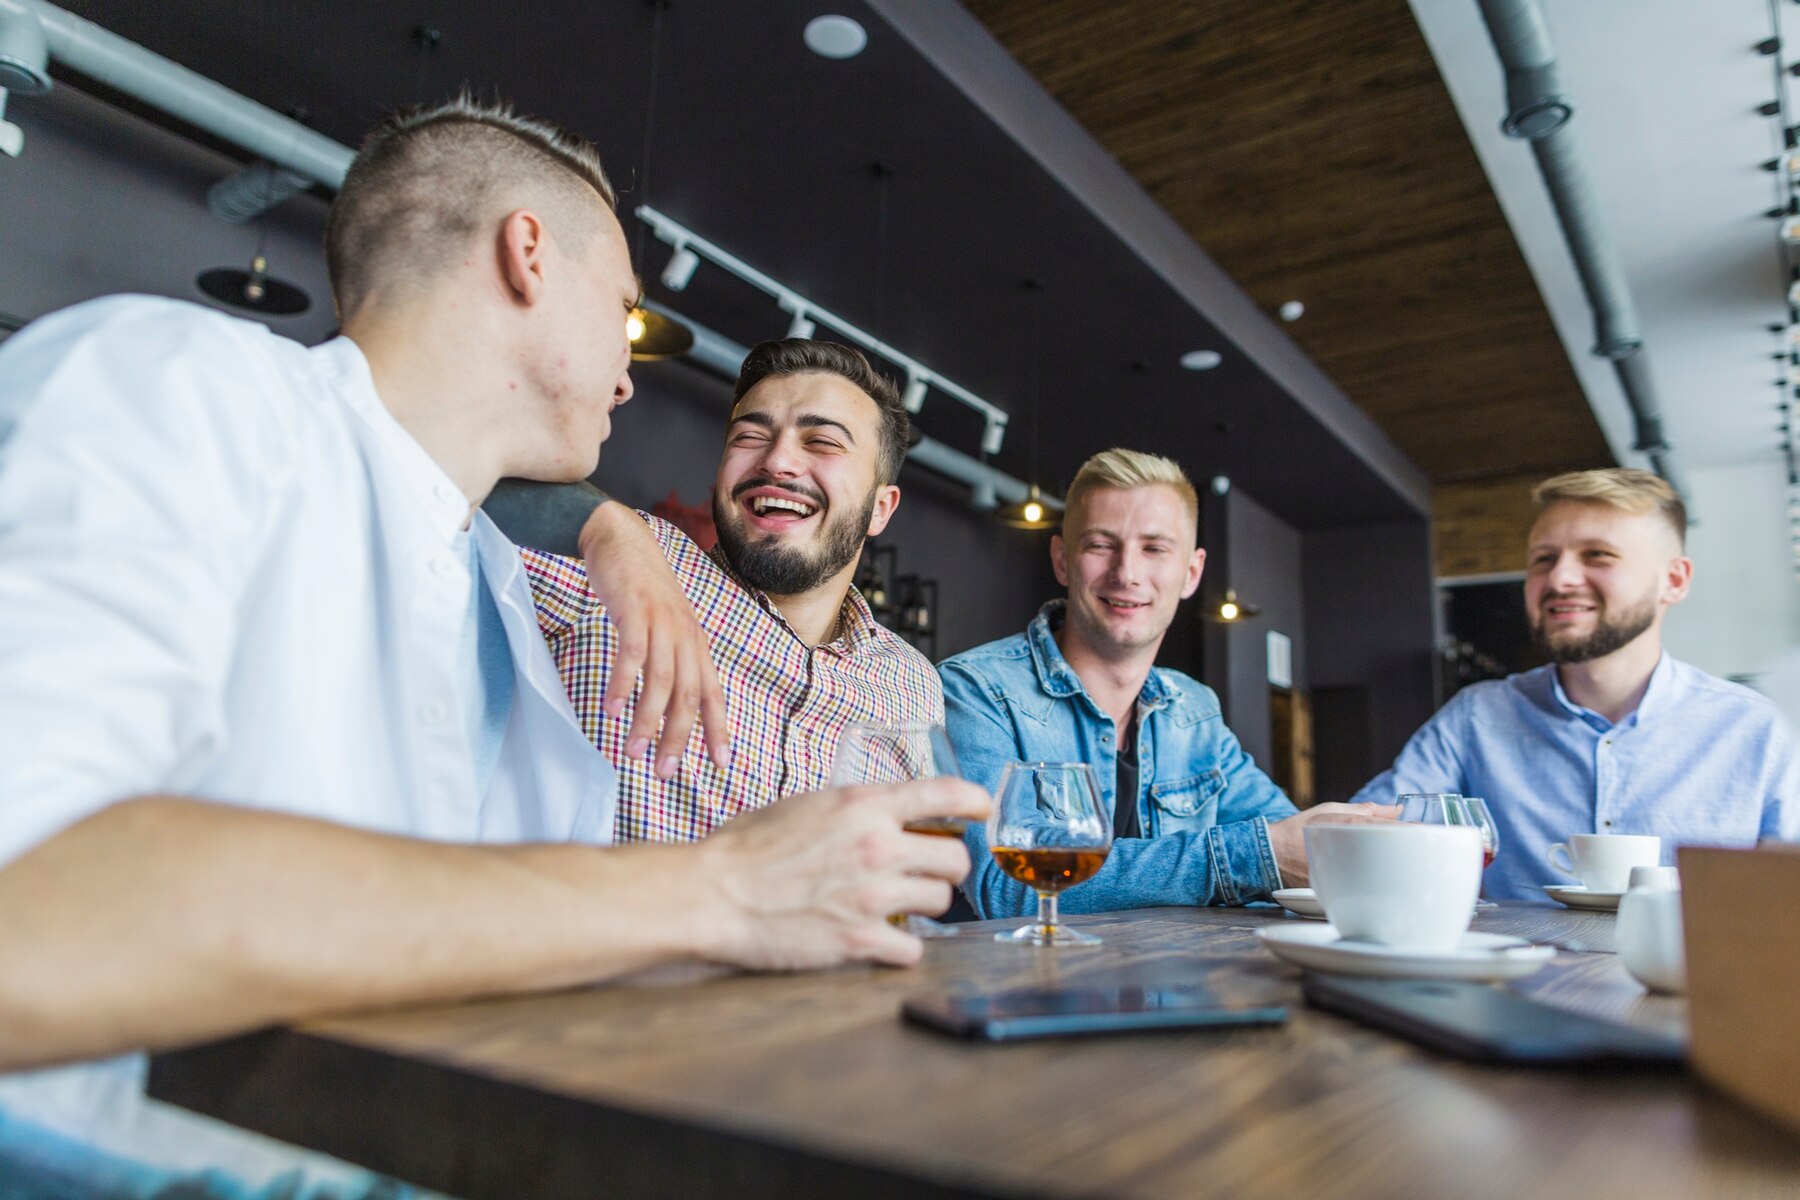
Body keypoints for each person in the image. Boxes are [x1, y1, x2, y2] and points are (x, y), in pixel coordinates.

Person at [0, 96, 985, 1192]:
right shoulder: (181, 387)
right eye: (624, 307)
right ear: (528, 256)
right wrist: (724, 891)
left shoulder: (503, 593)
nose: (629, 369)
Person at [491, 339, 942, 844]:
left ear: (881, 508)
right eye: (750, 436)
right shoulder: (621, 565)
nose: (778, 462)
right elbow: (433, 470)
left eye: (822, 442)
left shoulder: (911, 683)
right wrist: (606, 526)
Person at [939, 448, 1394, 918]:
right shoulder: (974, 690)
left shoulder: (1193, 709)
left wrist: (1352, 837)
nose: (1127, 573)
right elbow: (1004, 889)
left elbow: (1287, 836)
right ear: (1061, 559)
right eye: (1100, 545)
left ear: (1191, 573)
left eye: (1154, 548)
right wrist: (1254, 857)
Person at [1351, 468, 1798, 900]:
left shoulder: (1754, 728)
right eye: (1544, 558)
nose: (1560, 579)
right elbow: (1366, 840)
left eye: (1598, 554)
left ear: (1674, 580)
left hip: (1696, 976)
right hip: (1518, 975)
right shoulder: (1476, 717)